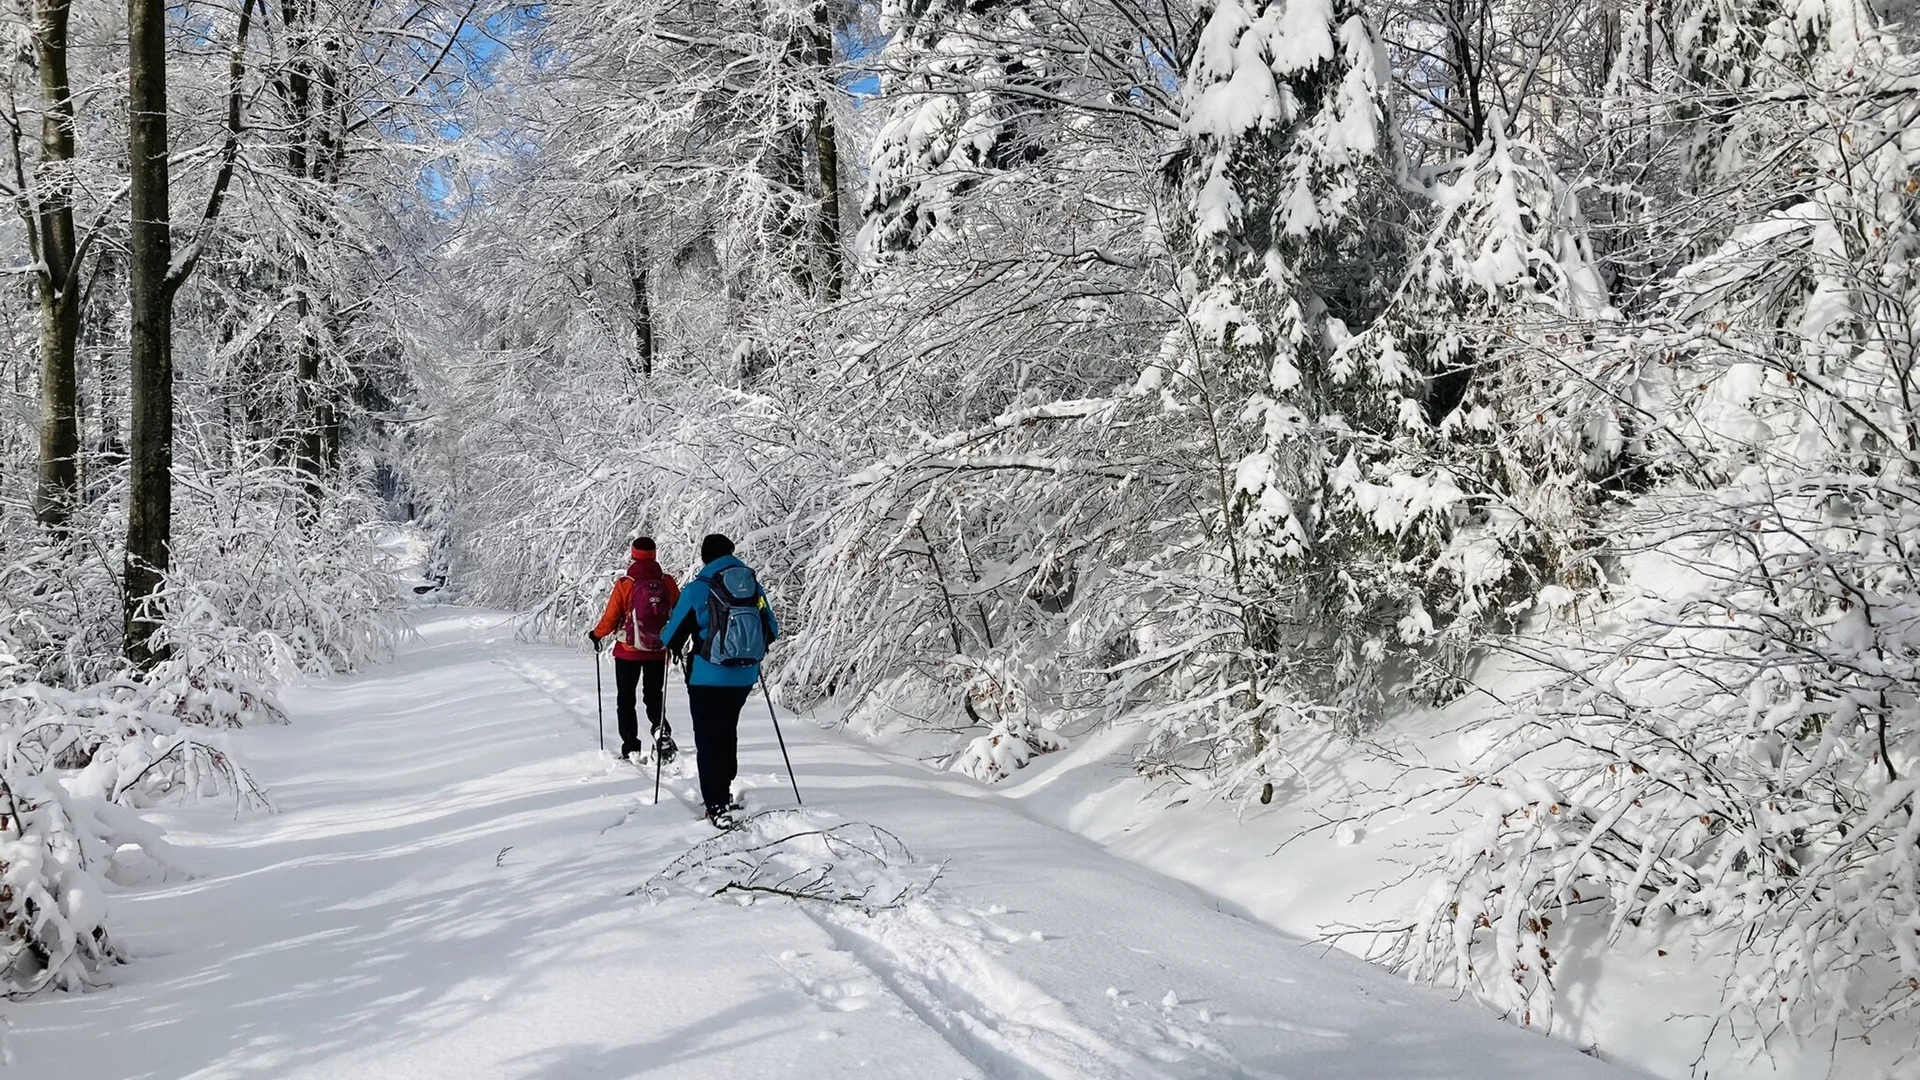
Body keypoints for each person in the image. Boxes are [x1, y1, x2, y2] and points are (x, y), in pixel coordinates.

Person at [663, 533, 780, 825]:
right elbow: (772, 629)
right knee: (727, 731)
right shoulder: (753, 586)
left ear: (705, 557)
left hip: (706, 676)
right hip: (743, 676)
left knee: (708, 737)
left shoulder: (698, 589)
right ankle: (724, 791)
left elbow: (671, 635)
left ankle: (715, 803)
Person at [588, 537, 681, 762]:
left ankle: (630, 747)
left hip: (628, 651)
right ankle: (661, 733)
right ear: (654, 554)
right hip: (657, 650)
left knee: (626, 699)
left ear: (633, 555)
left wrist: (596, 634)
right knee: (653, 696)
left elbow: (611, 618)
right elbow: (678, 614)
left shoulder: (626, 583)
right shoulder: (666, 582)